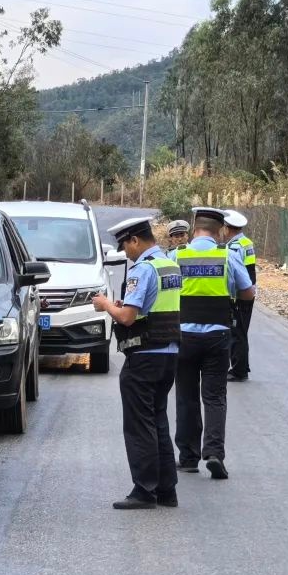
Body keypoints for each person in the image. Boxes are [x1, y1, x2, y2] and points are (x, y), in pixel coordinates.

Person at [93, 216, 182, 510]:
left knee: (139, 425)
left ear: (135, 240)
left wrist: (106, 305)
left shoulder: (143, 269)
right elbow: (153, 308)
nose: (126, 253)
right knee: (158, 420)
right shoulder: (169, 264)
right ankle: (166, 490)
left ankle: (144, 490)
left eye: (125, 246)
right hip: (168, 354)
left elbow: (128, 317)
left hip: (144, 356)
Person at [168, 207, 254, 479]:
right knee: (215, 397)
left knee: (186, 397)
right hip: (218, 336)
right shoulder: (227, 255)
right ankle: (214, 453)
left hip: (184, 336)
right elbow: (248, 292)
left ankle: (188, 457)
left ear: (194, 229)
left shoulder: (177, 255)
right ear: (220, 231)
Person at [222, 209, 256, 382]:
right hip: (249, 292)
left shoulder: (234, 247)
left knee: (236, 333)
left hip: (240, 295)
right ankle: (241, 367)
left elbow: (235, 275)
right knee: (242, 331)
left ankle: (239, 370)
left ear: (227, 228)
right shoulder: (246, 242)